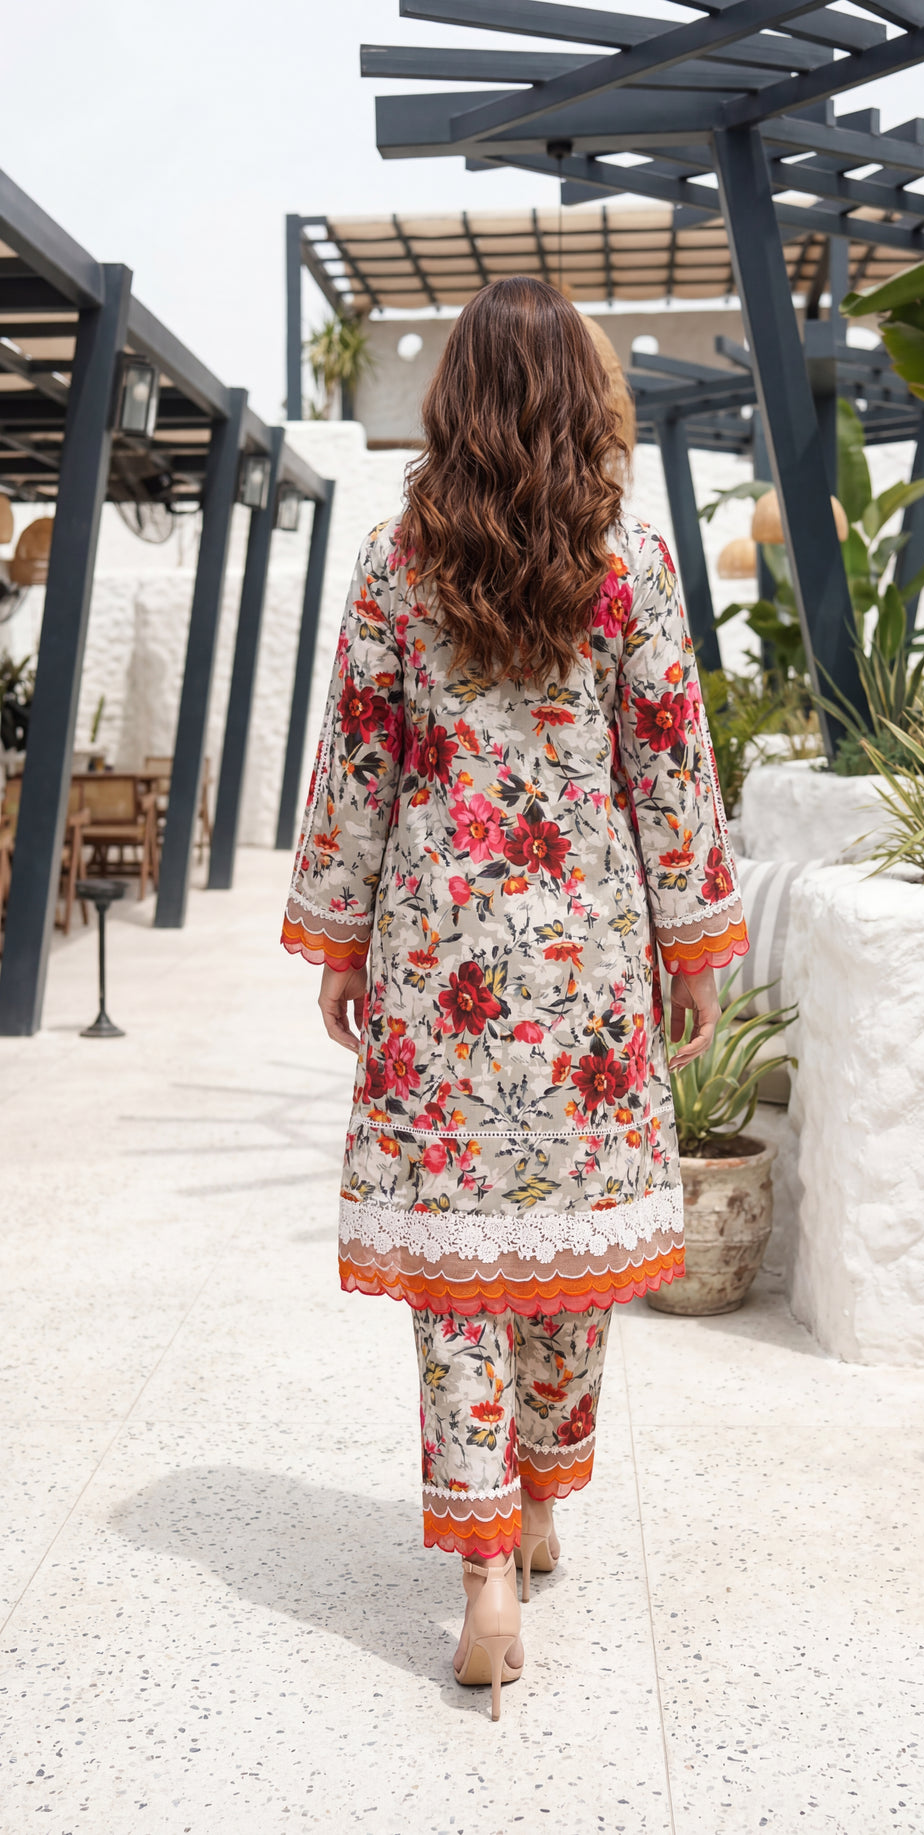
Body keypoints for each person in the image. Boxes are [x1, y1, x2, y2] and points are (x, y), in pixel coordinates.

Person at [282, 276, 747, 1720]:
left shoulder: (393, 566)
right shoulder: (635, 567)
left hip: (439, 965)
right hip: (589, 972)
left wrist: (341, 941)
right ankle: (540, 1508)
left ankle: (483, 1571)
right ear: (583, 399)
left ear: (458, 400)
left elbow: (359, 774)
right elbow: (670, 772)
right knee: (569, 1255)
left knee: (458, 1272)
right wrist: (696, 947)